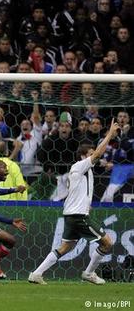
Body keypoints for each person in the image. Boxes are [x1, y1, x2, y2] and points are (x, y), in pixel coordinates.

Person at [28, 119, 121, 285]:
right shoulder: (79, 166)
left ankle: (36, 273)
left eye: (93, 153)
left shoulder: (86, 171)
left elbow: (80, 192)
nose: (94, 155)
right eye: (91, 153)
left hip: (73, 215)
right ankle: (89, 273)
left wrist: (87, 205)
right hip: (78, 216)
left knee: (64, 248)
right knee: (107, 242)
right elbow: (99, 154)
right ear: (83, 156)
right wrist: (109, 135)